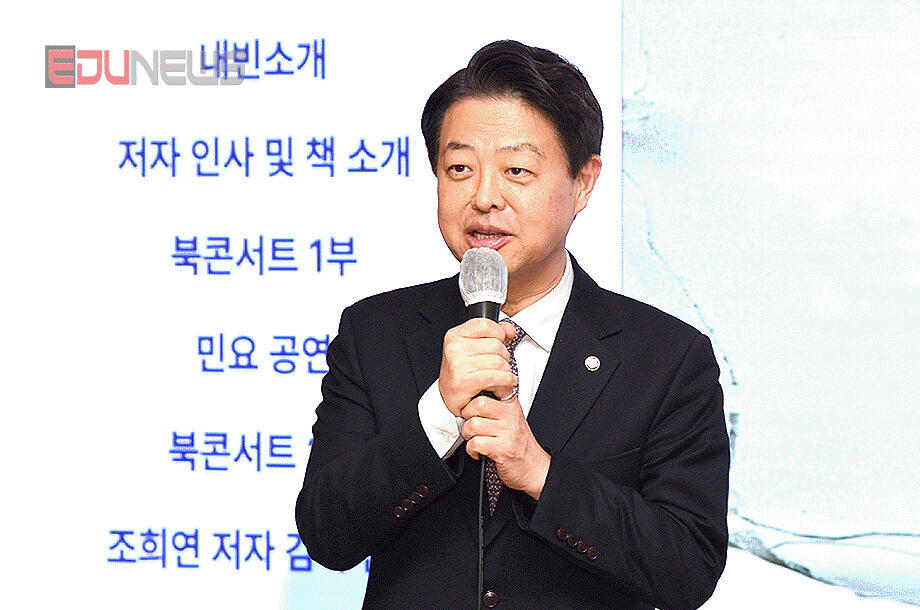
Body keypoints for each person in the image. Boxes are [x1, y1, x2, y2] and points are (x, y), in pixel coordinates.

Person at [295, 40, 729, 610]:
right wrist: (437, 419)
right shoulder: (374, 332)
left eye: (516, 170)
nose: (484, 198)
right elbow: (327, 535)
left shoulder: (666, 358)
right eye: (459, 169)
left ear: (584, 181)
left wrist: (539, 472)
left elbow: (687, 570)